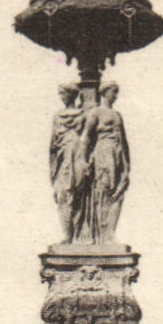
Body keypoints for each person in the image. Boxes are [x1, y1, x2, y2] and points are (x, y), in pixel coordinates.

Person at [83, 82, 130, 243]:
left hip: (117, 154)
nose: (115, 95)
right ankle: (103, 235)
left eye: (117, 92)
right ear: (104, 93)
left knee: (118, 192)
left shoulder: (117, 115)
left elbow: (123, 140)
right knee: (104, 191)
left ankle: (110, 232)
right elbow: (86, 136)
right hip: (103, 153)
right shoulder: (96, 112)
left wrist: (125, 164)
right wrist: (84, 159)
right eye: (113, 92)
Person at [49, 82, 88, 242]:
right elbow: (53, 143)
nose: (62, 97)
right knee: (63, 194)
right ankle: (68, 235)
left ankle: (76, 235)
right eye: (61, 94)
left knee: (77, 194)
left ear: (71, 94)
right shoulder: (58, 116)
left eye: (64, 94)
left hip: (76, 157)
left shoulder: (83, 115)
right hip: (63, 158)